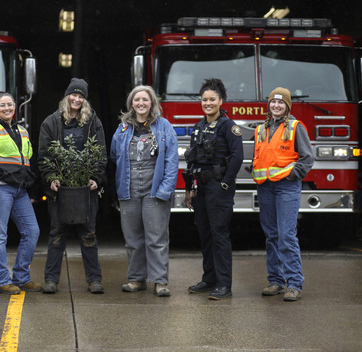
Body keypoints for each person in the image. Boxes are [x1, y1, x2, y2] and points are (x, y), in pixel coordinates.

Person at [38, 78, 107, 294]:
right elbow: (43, 156)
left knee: (88, 235)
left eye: (81, 96)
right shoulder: (51, 122)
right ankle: (51, 280)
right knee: (57, 234)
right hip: (61, 191)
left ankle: (94, 280)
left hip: (86, 191)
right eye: (73, 95)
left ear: (84, 100)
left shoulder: (93, 122)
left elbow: (101, 154)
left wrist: (96, 178)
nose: (77, 99)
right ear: (67, 96)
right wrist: (51, 178)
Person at [110, 85, 179, 297]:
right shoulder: (122, 128)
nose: (141, 103)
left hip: (155, 190)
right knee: (132, 239)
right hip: (129, 190)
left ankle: (160, 281)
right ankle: (136, 279)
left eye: (145, 100)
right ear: (131, 103)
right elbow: (114, 155)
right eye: (137, 99)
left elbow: (172, 161)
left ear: (152, 103)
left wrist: (165, 190)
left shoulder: (164, 126)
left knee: (156, 238)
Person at [0, 92, 42, 295]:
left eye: (10, 105)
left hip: (20, 190)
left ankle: (21, 277)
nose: (6, 108)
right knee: (0, 235)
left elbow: (29, 161)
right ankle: (3, 279)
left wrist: (32, 188)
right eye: (2, 105)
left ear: (15, 107)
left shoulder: (22, 130)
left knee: (32, 232)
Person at [183, 78, 243, 300]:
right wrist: (189, 190)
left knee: (219, 234)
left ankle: (224, 284)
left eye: (212, 99)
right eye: (204, 100)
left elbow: (238, 157)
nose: (208, 103)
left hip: (219, 188)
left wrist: (226, 182)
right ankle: (209, 279)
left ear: (221, 101)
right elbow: (192, 160)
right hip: (200, 189)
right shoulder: (199, 127)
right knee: (205, 234)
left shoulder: (229, 126)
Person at [252, 87, 314, 301]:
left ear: (287, 106)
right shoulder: (261, 129)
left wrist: (292, 175)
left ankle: (294, 284)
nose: (276, 106)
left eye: (281, 103)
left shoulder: (296, 127)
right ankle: (276, 281)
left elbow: (307, 158)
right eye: (273, 102)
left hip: (287, 187)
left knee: (286, 235)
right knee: (271, 235)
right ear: (268, 105)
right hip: (266, 187)